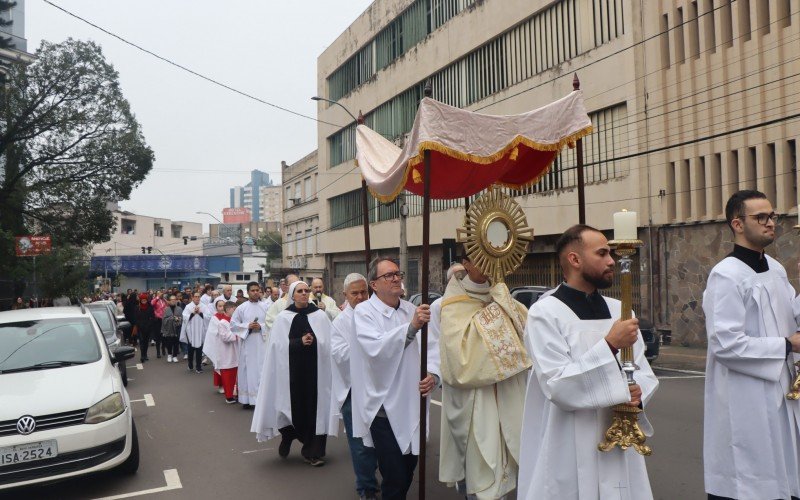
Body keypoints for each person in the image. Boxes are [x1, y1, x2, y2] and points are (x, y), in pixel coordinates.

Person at [518, 224, 659, 500]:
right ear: (574, 259)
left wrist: (637, 394)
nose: (611, 261)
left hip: (619, 440)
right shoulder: (545, 314)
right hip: (569, 440)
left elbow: (642, 369)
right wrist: (609, 345)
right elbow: (557, 384)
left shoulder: (620, 309)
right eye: (602, 253)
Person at [702, 190, 800, 500]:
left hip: (782, 388)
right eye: (761, 217)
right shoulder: (726, 276)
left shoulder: (774, 268)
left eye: (773, 216)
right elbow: (725, 344)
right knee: (750, 474)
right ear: (738, 224)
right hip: (745, 395)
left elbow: (791, 311)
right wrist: (786, 345)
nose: (771, 223)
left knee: (784, 469)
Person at [435, 256, 531, 500]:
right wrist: (498, 314)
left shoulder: (503, 296)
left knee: (510, 471)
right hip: (475, 402)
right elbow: (461, 360)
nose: (490, 265)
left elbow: (525, 333)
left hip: (508, 395)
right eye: (482, 259)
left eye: (495, 258)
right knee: (482, 478)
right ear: (467, 262)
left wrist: (502, 301)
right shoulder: (452, 303)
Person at [352, 258, 440, 500]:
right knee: (394, 475)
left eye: (397, 273)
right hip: (384, 408)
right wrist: (410, 328)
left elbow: (432, 348)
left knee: (409, 467)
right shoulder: (364, 312)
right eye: (388, 275)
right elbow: (376, 350)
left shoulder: (411, 310)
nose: (396, 278)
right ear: (374, 284)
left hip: (412, 403)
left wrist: (434, 374)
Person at [251, 281, 333, 466]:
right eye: (300, 291)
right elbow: (276, 347)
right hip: (292, 374)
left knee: (315, 410)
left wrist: (315, 341)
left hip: (315, 374)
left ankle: (313, 452)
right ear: (292, 295)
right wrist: (298, 342)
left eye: (307, 291)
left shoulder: (320, 316)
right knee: (292, 408)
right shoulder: (283, 318)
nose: (304, 294)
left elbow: (330, 343)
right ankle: (288, 436)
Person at [330, 273, 378, 500]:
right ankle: (367, 488)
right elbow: (339, 354)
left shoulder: (377, 315)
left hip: (379, 389)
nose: (360, 297)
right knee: (360, 445)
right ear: (345, 295)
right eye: (355, 293)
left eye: (364, 292)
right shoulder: (340, 322)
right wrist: (367, 347)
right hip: (353, 392)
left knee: (383, 442)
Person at [231, 281, 270, 409]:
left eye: (257, 290)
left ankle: (259, 400)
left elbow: (272, 323)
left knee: (260, 371)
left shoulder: (266, 307)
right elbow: (233, 325)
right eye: (252, 290)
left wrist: (261, 326)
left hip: (262, 342)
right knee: (247, 371)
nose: (255, 292)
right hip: (247, 343)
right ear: (248, 292)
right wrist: (247, 326)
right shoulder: (241, 308)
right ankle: (246, 399)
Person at [203, 297, 230, 394]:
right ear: (216, 307)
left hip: (229, 344)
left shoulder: (230, 316)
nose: (222, 308)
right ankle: (221, 385)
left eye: (223, 306)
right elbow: (212, 332)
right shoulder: (215, 318)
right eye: (220, 306)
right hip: (219, 345)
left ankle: (230, 385)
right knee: (220, 365)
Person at [180, 291, 207, 373]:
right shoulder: (188, 307)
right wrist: (192, 313)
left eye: (199, 296)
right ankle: (190, 364)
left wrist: (200, 313)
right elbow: (184, 316)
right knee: (190, 349)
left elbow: (208, 317)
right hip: (190, 331)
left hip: (200, 331)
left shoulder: (204, 306)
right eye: (195, 296)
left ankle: (198, 367)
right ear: (192, 297)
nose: (197, 298)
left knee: (199, 349)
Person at [160, 294, 183, 363]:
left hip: (177, 328)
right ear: (169, 301)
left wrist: (178, 319)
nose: (173, 301)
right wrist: (171, 318)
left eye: (174, 300)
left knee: (176, 343)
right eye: (171, 300)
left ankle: (175, 356)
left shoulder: (179, 309)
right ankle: (169, 355)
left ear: (176, 301)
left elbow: (182, 318)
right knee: (169, 343)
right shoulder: (166, 309)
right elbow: (164, 319)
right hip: (168, 329)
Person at [135, 293, 155, 363]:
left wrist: (149, 324)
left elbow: (153, 317)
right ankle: (142, 356)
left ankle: (145, 354)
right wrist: (139, 324)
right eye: (142, 300)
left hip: (148, 327)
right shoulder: (138, 307)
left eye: (145, 300)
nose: (144, 301)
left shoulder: (150, 307)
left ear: (147, 300)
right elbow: (136, 318)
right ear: (140, 300)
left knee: (146, 342)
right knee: (141, 341)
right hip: (140, 328)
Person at [151, 291, 167, 358]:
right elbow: (152, 304)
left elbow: (168, 305)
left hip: (164, 319)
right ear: (156, 294)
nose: (161, 294)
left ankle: (163, 347)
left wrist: (164, 299)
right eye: (159, 293)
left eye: (161, 293)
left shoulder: (163, 300)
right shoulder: (155, 300)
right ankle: (158, 352)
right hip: (157, 320)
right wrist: (157, 297)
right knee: (158, 337)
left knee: (164, 336)